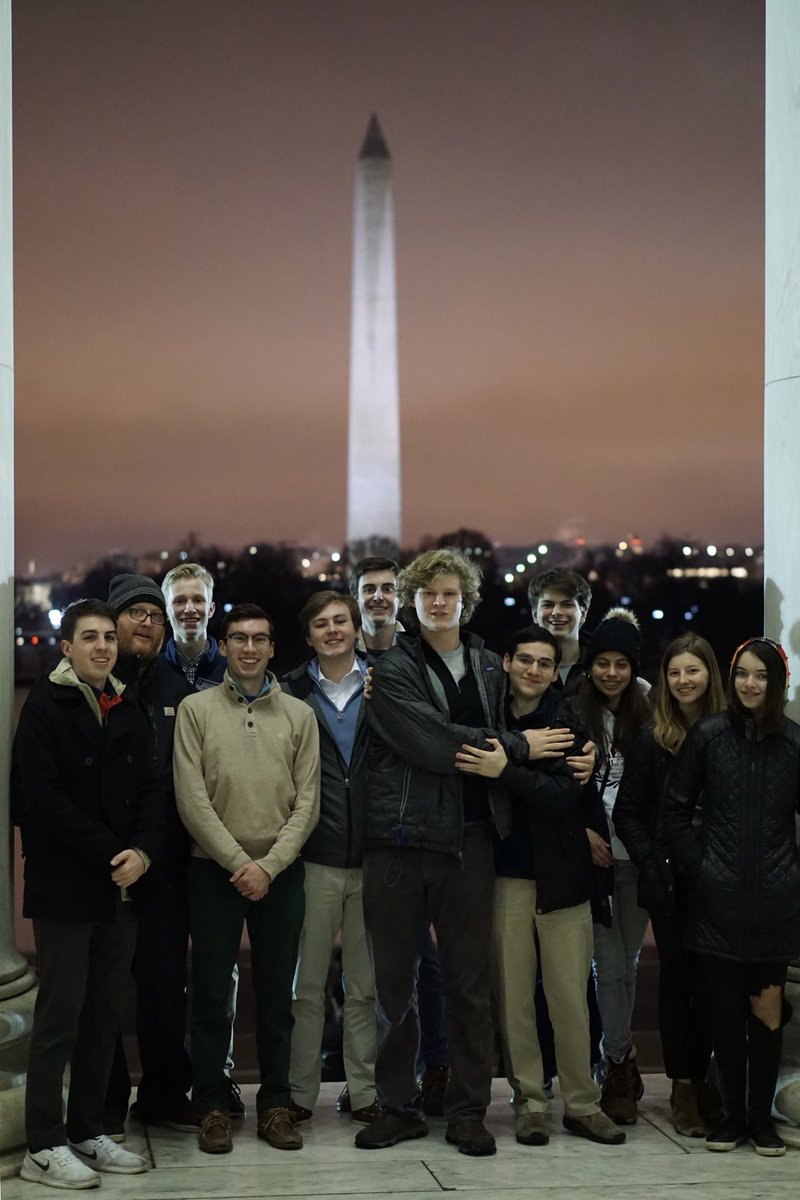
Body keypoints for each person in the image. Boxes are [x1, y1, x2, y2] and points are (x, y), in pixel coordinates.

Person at [355, 547, 541, 1158]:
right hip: (399, 841)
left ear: (466, 601)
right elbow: (430, 744)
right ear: (411, 602)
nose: (439, 602)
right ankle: (399, 1105)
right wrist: (515, 746)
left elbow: (546, 700)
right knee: (393, 987)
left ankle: (467, 1110)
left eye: (450, 593)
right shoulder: (391, 669)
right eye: (428, 593)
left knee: (469, 985)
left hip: (470, 841)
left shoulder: (491, 667)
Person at [455, 624, 625, 1147]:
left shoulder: (566, 722)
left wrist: (505, 768)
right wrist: (516, 759)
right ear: (506, 661)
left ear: (556, 671)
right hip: (504, 877)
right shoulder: (486, 714)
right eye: (524, 659)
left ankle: (582, 1104)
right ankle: (530, 1100)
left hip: (562, 878)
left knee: (569, 997)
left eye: (544, 663)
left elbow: (558, 799)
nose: (533, 670)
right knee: (514, 1000)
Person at [13, 599, 161, 1189]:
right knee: (60, 1020)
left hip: (123, 885)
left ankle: (87, 1129)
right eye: (89, 637)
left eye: (107, 637)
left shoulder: (127, 704)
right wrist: (112, 853)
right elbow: (39, 801)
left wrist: (144, 853)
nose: (102, 646)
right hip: (67, 888)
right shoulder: (45, 707)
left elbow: (153, 789)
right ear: (67, 647)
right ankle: (43, 1145)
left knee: (103, 1017)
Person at [174, 604, 320, 1155]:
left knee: (277, 995)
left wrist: (269, 865)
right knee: (211, 992)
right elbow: (191, 799)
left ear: (273, 648)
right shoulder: (195, 709)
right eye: (238, 638)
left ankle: (277, 1104)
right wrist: (239, 863)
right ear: (225, 644)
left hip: (280, 872)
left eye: (260, 639)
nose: (250, 648)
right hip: (213, 870)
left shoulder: (299, 715)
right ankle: (211, 1104)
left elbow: (308, 801)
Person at [664, 637, 800, 1157]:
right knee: (722, 1013)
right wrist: (702, 869)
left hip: (775, 907)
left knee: (767, 1014)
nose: (749, 683)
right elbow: (675, 812)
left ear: (777, 682)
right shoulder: (709, 735)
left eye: (760, 675)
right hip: (716, 902)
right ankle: (731, 1116)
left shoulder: (793, 743)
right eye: (742, 673)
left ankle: (762, 1120)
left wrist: (792, 876)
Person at [351, 555, 451, 1115]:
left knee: (424, 966)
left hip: (413, 830)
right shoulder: (331, 664)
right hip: (354, 831)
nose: (380, 597)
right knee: (372, 974)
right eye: (369, 589)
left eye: (390, 588)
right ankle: (372, 1085)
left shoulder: (420, 657)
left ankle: (435, 1068)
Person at [613, 633, 725, 1137]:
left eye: (693, 671)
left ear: (709, 675)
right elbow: (629, 814)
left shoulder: (730, 732)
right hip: (669, 881)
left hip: (723, 881)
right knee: (680, 982)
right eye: (675, 672)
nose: (683, 680)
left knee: (716, 983)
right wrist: (650, 863)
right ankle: (682, 1088)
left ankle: (710, 1085)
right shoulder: (650, 736)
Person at [103, 574, 196, 1137]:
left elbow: (183, 781)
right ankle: (107, 1098)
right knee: (102, 990)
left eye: (154, 615)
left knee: (165, 986)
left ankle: (165, 1095)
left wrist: (153, 849)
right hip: (102, 865)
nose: (147, 622)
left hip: (165, 865)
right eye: (135, 612)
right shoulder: (91, 681)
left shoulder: (177, 690)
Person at [283, 591, 378, 1124]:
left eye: (341, 620)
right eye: (322, 624)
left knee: (364, 987)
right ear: (310, 635)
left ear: (356, 627)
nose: (334, 630)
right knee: (308, 984)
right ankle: (300, 1094)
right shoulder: (291, 689)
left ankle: (363, 1091)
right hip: (314, 854)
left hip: (372, 854)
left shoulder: (384, 683)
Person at [566, 607, 651, 1125]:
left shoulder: (650, 706)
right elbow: (560, 782)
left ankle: (617, 1058)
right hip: (593, 857)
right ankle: (617, 1062)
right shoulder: (573, 706)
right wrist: (582, 834)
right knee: (608, 964)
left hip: (636, 858)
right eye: (603, 662)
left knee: (629, 963)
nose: (611, 673)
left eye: (621, 663)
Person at [527, 568, 592, 698]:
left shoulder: (601, 666)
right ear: (534, 614)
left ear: (583, 615)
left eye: (567, 605)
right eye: (548, 605)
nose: (556, 612)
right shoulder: (519, 669)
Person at [162, 562, 226, 690]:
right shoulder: (151, 673)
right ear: (166, 611)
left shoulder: (232, 672)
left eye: (198, 600)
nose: (190, 609)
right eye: (179, 601)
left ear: (211, 609)